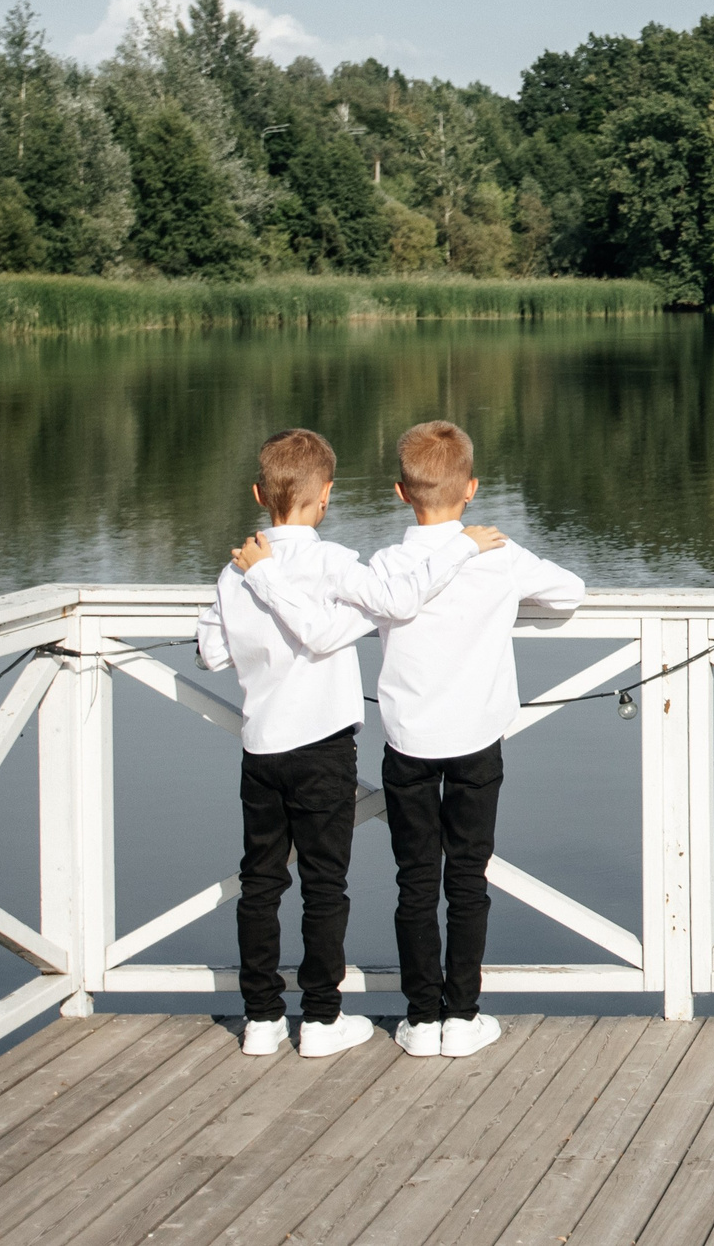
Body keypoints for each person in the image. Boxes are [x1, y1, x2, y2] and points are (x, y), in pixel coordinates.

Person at [250, 419, 582, 1059]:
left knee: (415, 882)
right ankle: (462, 1017)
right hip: (477, 741)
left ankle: (421, 1018)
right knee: (468, 880)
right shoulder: (499, 556)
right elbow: (570, 594)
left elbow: (332, 620)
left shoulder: (383, 565)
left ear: (401, 493)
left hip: (406, 745)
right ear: (472, 488)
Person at [197, 427, 504, 1059]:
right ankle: (320, 1018)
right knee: (323, 884)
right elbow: (380, 608)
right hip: (322, 747)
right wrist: (461, 548)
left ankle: (261, 1020)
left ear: (258, 494)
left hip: (260, 748)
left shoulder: (238, 568)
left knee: (261, 882)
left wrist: (235, 589)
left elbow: (211, 653)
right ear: (328, 495)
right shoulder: (336, 563)